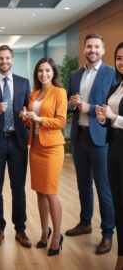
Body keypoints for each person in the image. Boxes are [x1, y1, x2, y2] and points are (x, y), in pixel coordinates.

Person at [66, 33, 116, 254]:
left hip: (101, 138)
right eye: (89, 46)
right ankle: (85, 223)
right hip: (79, 137)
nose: (92, 50)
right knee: (83, 184)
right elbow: (69, 105)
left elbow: (114, 105)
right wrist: (71, 103)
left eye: (96, 47)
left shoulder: (112, 73)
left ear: (103, 50)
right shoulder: (75, 75)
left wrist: (91, 108)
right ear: (84, 49)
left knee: (104, 187)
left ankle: (107, 234)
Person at [0, 45, 31, 248]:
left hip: (18, 140)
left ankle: (20, 229)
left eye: (7, 58)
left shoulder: (23, 82)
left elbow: (28, 109)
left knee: (18, 187)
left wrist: (26, 116)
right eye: (0, 58)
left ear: (13, 59)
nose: (4, 62)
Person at [21, 58, 67, 256]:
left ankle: (57, 235)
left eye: (47, 70)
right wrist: (26, 119)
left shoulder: (60, 92)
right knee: (39, 192)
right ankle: (44, 231)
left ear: (53, 72)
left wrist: (38, 118)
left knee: (50, 192)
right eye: (40, 71)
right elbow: (32, 124)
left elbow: (61, 121)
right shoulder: (34, 93)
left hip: (53, 148)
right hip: (36, 146)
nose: (44, 74)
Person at [95, 42, 123, 270]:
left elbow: (117, 118)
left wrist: (114, 117)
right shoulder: (117, 86)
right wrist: (103, 117)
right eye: (120, 58)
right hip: (114, 149)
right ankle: (121, 254)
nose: (122, 62)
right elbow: (111, 119)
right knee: (118, 203)